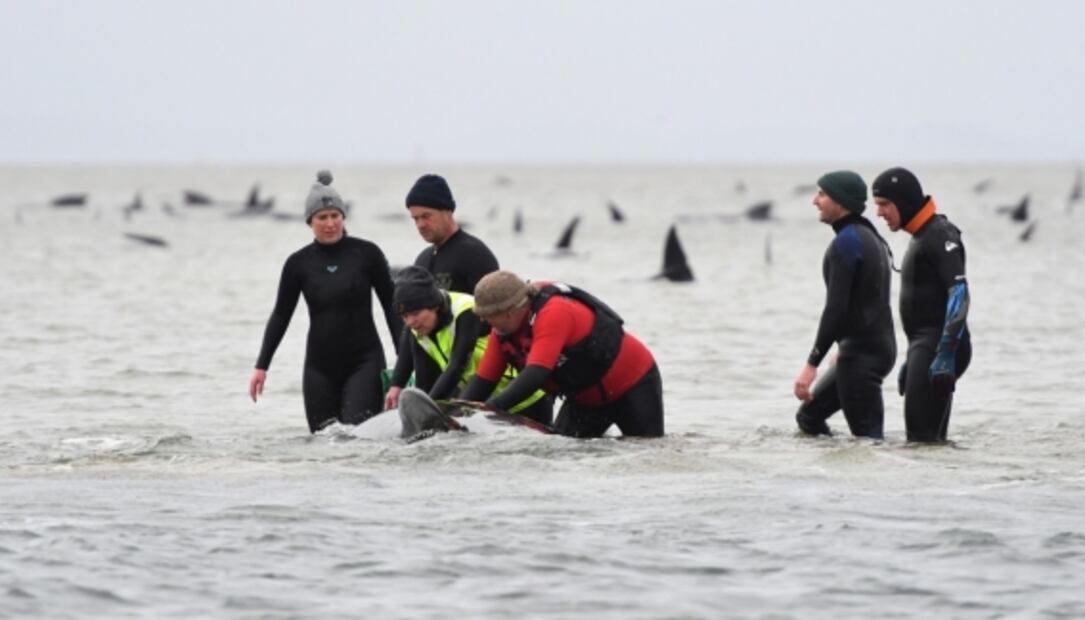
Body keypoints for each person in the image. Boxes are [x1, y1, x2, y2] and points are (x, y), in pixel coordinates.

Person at [248, 170, 402, 433]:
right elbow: (281, 315)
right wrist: (262, 366)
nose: (330, 223)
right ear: (310, 221)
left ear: (343, 217)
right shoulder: (298, 264)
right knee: (321, 443)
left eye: (335, 216)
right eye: (322, 217)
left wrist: (404, 358)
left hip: (364, 362)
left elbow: (391, 306)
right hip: (318, 368)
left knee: (358, 438)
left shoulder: (367, 254)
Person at [459, 271, 664, 438]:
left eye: (487, 315)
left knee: (647, 451)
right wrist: (459, 414)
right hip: (585, 401)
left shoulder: (554, 312)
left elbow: (536, 373)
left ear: (509, 311)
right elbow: (483, 381)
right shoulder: (502, 332)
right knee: (562, 453)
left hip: (633, 384)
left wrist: (491, 410)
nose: (483, 321)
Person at [793, 170, 896, 439]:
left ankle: (893, 467)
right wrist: (843, 346)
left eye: (822, 194)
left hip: (861, 355)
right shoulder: (870, 237)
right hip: (874, 348)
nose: (815, 201)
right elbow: (866, 298)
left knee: (868, 442)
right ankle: (829, 464)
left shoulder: (846, 243)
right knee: (808, 417)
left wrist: (811, 365)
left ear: (840, 201)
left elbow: (835, 309)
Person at [873, 167, 971, 442]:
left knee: (921, 443)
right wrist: (913, 356)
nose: (879, 213)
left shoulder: (940, 234)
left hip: (939, 348)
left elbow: (959, 292)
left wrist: (944, 352)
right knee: (932, 446)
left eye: (884, 204)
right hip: (927, 347)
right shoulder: (923, 234)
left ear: (903, 201)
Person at [383, 266, 553, 425]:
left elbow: (456, 368)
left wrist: (428, 411)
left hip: (525, 399)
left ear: (434, 305)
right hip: (484, 403)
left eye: (415, 313)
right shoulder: (418, 327)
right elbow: (424, 382)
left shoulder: (466, 311)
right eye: (404, 316)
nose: (410, 322)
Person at [386, 174, 500, 405]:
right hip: (435, 368)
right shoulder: (423, 260)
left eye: (426, 216)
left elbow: (496, 319)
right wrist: (397, 382)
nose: (420, 225)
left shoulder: (475, 254)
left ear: (447, 211)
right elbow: (412, 331)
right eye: (415, 219)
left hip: (473, 371)